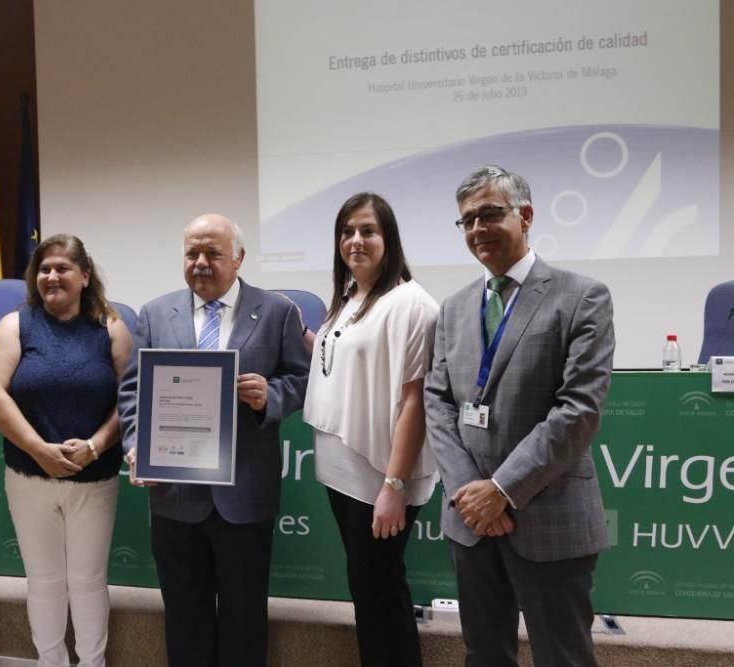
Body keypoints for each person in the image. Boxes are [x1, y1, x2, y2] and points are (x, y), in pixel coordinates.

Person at [424, 165, 615, 666]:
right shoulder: (454, 308)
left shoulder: (582, 297)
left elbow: (578, 410)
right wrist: (470, 491)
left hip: (549, 516)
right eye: (466, 221)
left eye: (490, 214)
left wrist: (501, 490)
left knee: (563, 657)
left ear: (525, 216)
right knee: (484, 654)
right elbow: (437, 401)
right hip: (470, 519)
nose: (477, 230)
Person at [117, 213, 309, 667]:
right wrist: (136, 442)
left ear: (238, 258)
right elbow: (132, 390)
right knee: (185, 615)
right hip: (174, 493)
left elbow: (301, 379)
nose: (200, 262)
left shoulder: (278, 310)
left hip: (243, 494)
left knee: (244, 616)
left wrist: (270, 396)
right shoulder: (155, 312)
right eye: (192, 253)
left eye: (213, 253)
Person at [0, 234, 132, 667]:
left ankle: (92, 663)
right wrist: (39, 450)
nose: (52, 276)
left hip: (95, 477)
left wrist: (95, 444)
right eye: (44, 269)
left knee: (87, 581)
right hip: (29, 478)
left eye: (62, 268)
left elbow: (131, 397)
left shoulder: (111, 325)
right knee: (45, 581)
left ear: (85, 276)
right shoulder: (15, 325)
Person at [303, 193, 438, 666]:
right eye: (347, 232)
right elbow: (343, 363)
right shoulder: (349, 297)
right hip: (344, 473)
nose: (355, 241)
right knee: (367, 588)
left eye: (368, 231)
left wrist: (394, 486)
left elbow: (414, 401)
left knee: (380, 592)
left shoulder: (413, 304)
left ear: (389, 239)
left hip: (381, 478)